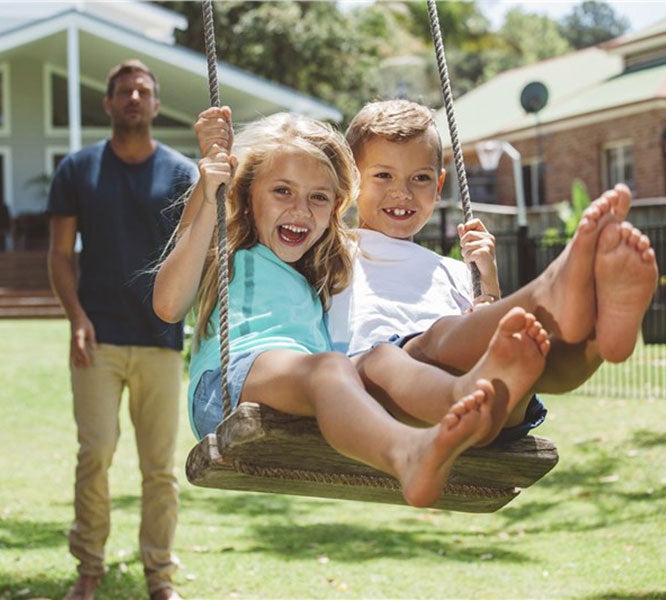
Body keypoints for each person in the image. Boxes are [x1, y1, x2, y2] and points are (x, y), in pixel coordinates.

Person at [154, 109, 553, 509]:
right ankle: (407, 453)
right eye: (282, 191)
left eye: (319, 198)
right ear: (245, 193)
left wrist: (487, 286)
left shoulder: (324, 264)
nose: (301, 210)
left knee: (379, 357)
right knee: (334, 367)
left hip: (306, 387)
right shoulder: (231, 248)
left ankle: (464, 399)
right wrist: (209, 186)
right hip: (227, 386)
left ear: (335, 207)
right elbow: (168, 305)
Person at [324, 99, 658, 437]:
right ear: (349, 181)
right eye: (383, 175)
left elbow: (479, 331)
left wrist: (489, 288)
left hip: (484, 407)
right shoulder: (333, 250)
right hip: (388, 391)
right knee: (439, 338)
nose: (402, 192)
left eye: (420, 178)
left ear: (439, 186)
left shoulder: (455, 271)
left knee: (532, 353)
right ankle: (545, 292)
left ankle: (598, 339)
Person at [47, 59, 198, 600]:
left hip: (160, 339)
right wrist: (76, 319)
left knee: (159, 469)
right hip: (98, 339)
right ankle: (89, 568)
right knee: (96, 454)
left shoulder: (184, 174)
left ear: (155, 105)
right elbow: (61, 255)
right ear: (108, 103)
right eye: (124, 91)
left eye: (143, 91)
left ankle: (159, 577)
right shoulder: (78, 170)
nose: (134, 98)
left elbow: (196, 252)